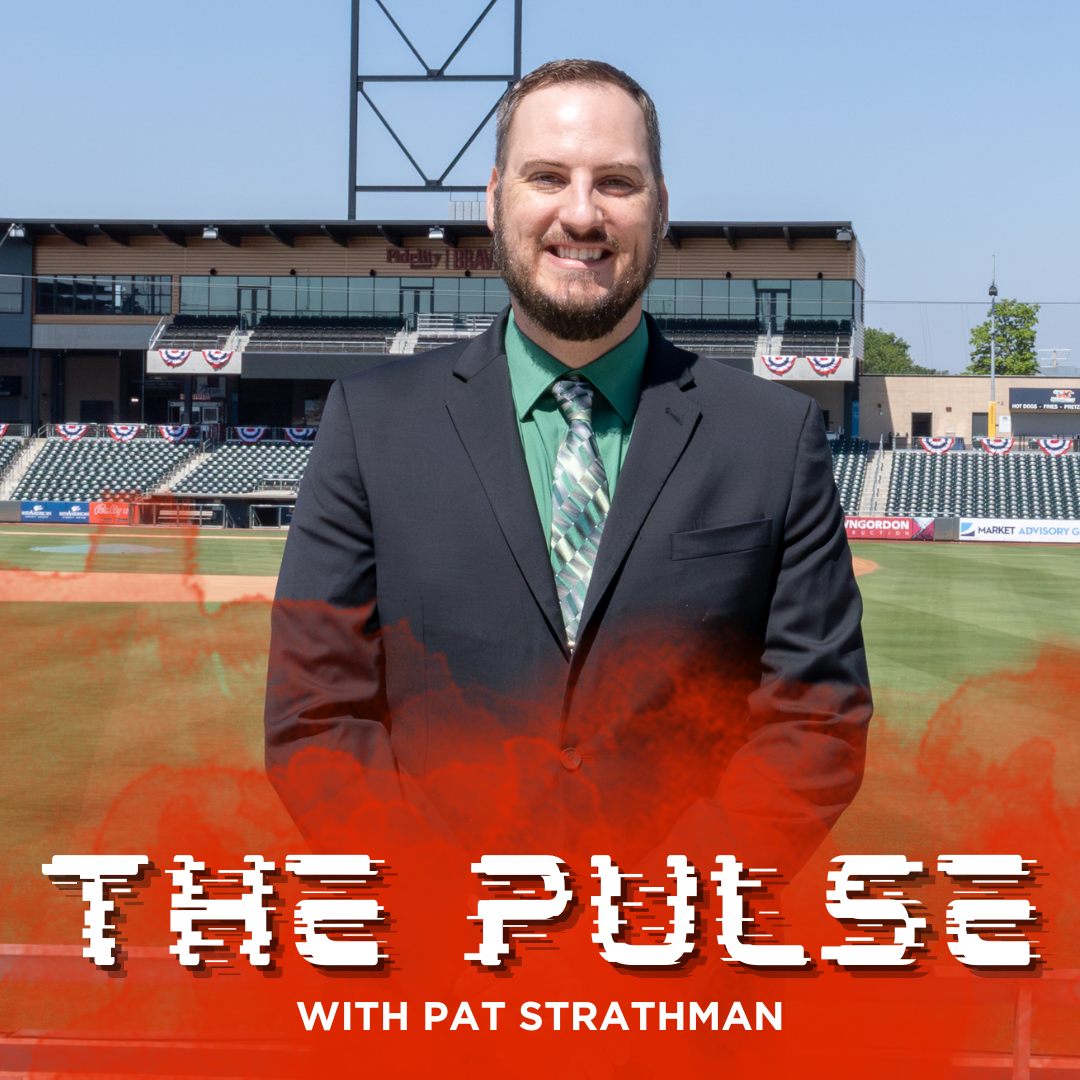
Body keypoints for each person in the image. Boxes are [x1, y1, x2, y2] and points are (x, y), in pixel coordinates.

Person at [264, 59, 871, 878]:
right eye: (547, 176)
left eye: (617, 181)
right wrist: (448, 907)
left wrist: (665, 911)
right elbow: (314, 717)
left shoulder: (773, 437)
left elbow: (817, 722)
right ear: (494, 200)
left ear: (661, 208)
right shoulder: (370, 425)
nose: (581, 213)